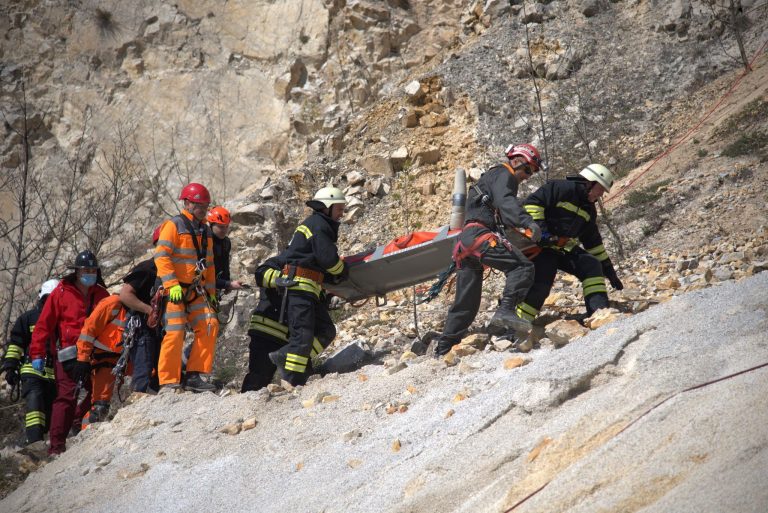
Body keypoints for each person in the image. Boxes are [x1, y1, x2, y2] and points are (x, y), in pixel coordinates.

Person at [434, 144, 543, 356]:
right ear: (517, 161)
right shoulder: (505, 174)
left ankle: (443, 348)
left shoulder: (488, 179)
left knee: (467, 303)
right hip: (479, 237)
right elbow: (506, 202)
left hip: (464, 243)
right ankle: (506, 311)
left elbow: (498, 208)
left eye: (533, 173)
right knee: (522, 268)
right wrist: (527, 222)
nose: (528, 176)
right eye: (528, 170)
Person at [516, 164, 624, 323]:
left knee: (592, 265)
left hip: (561, 247)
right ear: (590, 182)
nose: (600, 194)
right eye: (600, 189)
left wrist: (609, 270)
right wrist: (543, 232)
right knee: (543, 281)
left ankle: (598, 315)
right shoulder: (561, 188)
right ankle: (518, 324)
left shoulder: (589, 210)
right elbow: (532, 204)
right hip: (538, 246)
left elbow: (593, 242)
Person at [28, 250, 109, 455]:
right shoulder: (62, 292)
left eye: (93, 270)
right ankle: (56, 448)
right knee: (66, 398)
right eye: (85, 270)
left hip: (95, 352)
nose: (89, 273)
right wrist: (36, 353)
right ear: (77, 271)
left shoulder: (101, 294)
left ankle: (76, 419)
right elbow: (44, 325)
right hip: (69, 355)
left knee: (97, 392)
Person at [267, 186, 347, 386]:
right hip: (299, 289)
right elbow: (329, 260)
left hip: (308, 290)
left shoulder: (317, 224)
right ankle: (293, 380)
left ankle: (290, 358)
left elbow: (317, 260)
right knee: (302, 338)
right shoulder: (319, 225)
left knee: (326, 331)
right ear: (327, 207)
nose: (342, 213)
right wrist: (343, 271)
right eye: (339, 208)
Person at [154, 183, 218, 392]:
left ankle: (194, 375)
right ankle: (169, 381)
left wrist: (211, 293)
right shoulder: (173, 225)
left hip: (195, 290)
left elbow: (208, 264)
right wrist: (171, 284)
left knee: (210, 324)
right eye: (200, 205)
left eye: (206, 206)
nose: (203, 209)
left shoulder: (205, 231)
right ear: (187, 203)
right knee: (175, 331)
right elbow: (161, 256)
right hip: (175, 290)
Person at [241, 256, 336, 392]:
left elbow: (312, 305)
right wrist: (284, 279)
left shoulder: (311, 275)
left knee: (302, 382)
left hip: (294, 341)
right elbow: (261, 274)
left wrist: (328, 300)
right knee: (259, 378)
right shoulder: (283, 260)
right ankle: (246, 408)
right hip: (267, 332)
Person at [1, 279, 58, 446]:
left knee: (50, 413)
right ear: (41, 298)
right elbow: (16, 344)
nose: (49, 303)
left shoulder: (62, 319)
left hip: (55, 374)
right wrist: (10, 367)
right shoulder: (28, 318)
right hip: (31, 370)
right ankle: (35, 443)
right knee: (35, 404)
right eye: (47, 298)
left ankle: (51, 445)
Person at [117, 224, 165, 394]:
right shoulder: (147, 269)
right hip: (143, 328)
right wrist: (148, 310)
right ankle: (138, 404)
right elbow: (126, 294)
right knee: (143, 374)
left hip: (161, 329)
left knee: (161, 374)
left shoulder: (172, 272)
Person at [73, 295, 130, 428]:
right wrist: (83, 359)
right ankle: (85, 436)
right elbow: (89, 330)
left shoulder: (145, 305)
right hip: (103, 359)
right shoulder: (113, 304)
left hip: (127, 358)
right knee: (100, 407)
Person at [206, 206, 244, 294]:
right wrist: (227, 284)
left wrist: (227, 282)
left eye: (226, 227)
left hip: (216, 286)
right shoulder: (205, 241)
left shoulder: (226, 242)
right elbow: (205, 274)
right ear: (211, 225)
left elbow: (225, 265)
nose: (224, 230)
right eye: (220, 227)